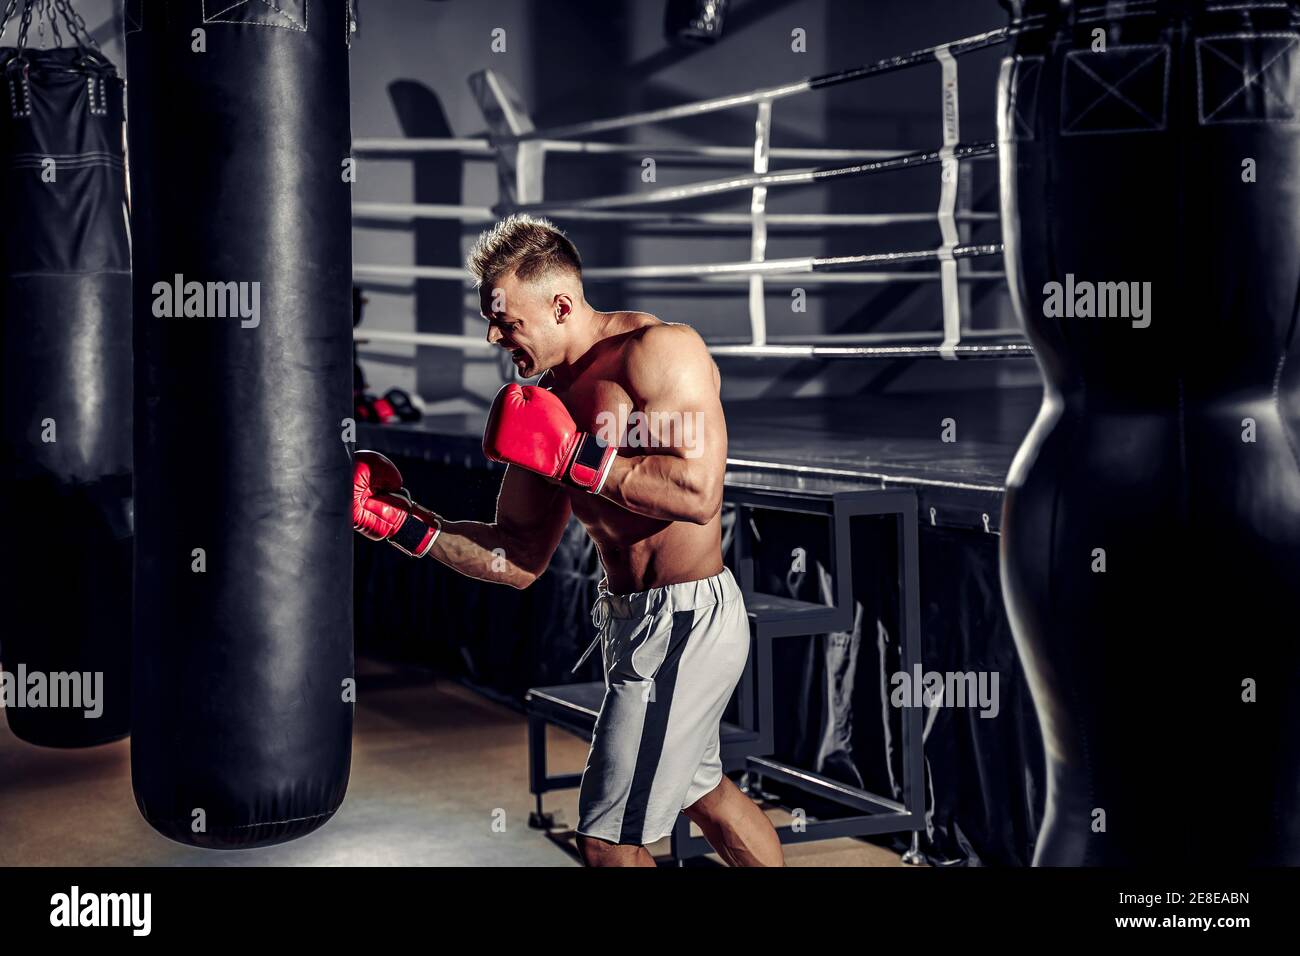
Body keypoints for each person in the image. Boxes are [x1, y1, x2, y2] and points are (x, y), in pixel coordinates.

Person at [352, 214, 783, 867]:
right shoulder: (545, 404)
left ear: (560, 305)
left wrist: (581, 461)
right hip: (628, 621)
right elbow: (517, 555)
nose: (494, 335)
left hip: (687, 620)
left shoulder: (658, 350)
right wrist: (402, 522)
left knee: (607, 841)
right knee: (710, 796)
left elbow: (699, 495)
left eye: (506, 319)